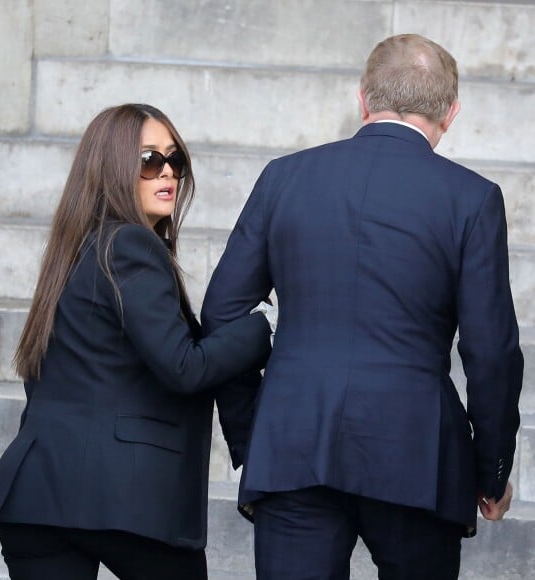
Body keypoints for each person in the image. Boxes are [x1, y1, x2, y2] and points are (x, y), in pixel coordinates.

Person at [201, 34, 523, 580]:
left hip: (293, 444)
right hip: (417, 453)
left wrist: (255, 428)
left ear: (363, 99)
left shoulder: (285, 177)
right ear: (451, 112)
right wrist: (490, 473)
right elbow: (491, 353)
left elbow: (222, 314)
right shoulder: (472, 199)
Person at [0, 103, 272, 580]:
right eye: (149, 160)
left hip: (36, 497)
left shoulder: (75, 250)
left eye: (176, 160)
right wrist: (266, 325)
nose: (168, 173)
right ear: (112, 168)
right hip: (124, 501)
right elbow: (184, 366)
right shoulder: (131, 246)